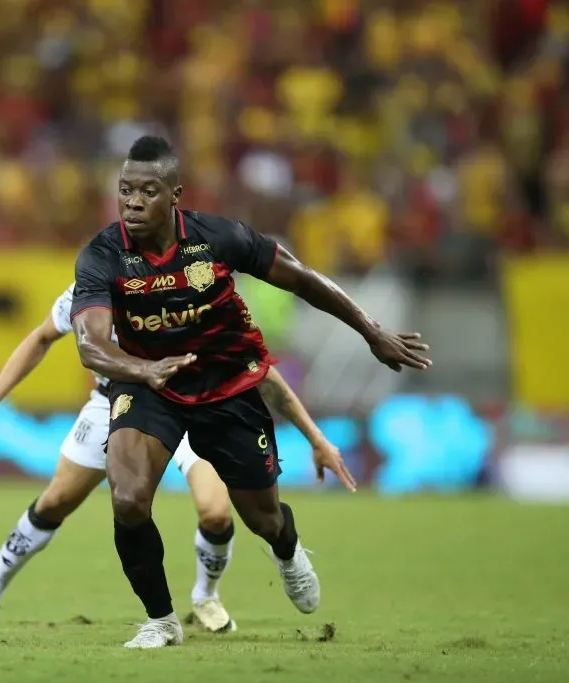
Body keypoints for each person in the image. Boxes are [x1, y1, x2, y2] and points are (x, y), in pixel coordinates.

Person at [71, 135, 430, 649]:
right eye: (125, 189)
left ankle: (288, 551)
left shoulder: (219, 238)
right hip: (152, 385)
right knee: (128, 498)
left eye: (146, 191)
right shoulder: (103, 254)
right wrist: (142, 372)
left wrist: (371, 330)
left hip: (229, 384)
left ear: (175, 195)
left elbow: (303, 280)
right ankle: (161, 620)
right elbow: (90, 345)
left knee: (263, 517)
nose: (131, 201)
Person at [0, 282, 343, 633]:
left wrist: (316, 438)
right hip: (113, 404)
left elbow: (260, 370)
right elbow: (41, 337)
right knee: (55, 501)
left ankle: (205, 596)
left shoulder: (188, 294)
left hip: (186, 404)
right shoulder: (88, 291)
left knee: (216, 513)